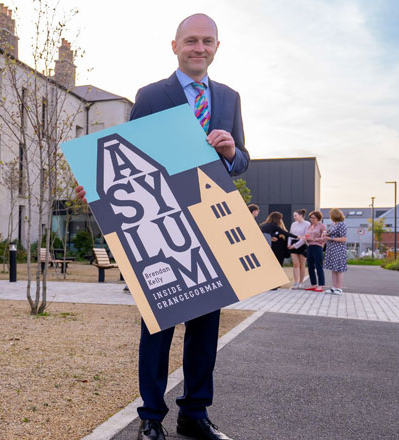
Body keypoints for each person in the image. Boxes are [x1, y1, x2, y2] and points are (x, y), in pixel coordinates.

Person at [77, 13, 247, 440]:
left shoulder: (229, 98)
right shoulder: (151, 95)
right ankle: (151, 416)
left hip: (210, 219)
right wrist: (98, 186)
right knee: (158, 325)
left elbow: (243, 159)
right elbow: (126, 156)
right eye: (191, 40)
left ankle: (195, 414)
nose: (199, 48)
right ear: (175, 46)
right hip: (160, 220)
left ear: (217, 47)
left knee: (205, 328)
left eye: (207, 41)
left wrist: (231, 152)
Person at [323, 208, 347, 295]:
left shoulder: (341, 225)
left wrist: (330, 238)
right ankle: (334, 287)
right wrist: (326, 234)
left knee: (339, 269)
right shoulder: (333, 224)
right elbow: (330, 234)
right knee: (333, 269)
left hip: (338, 249)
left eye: (330, 215)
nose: (330, 217)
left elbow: (344, 239)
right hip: (331, 249)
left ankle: (339, 288)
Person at [303, 210, 327, 293]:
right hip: (310, 246)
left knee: (318, 266)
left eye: (313, 218)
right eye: (310, 218)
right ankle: (313, 284)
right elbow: (306, 235)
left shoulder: (322, 226)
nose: (311, 219)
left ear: (318, 218)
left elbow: (324, 238)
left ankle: (321, 285)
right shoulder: (310, 226)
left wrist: (314, 239)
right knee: (310, 266)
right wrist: (306, 239)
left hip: (317, 247)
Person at [287, 209, 310, 288]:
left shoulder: (307, 224)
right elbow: (290, 235)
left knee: (302, 264)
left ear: (301, 216)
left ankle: (301, 282)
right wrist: (289, 243)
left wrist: (295, 245)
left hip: (302, 244)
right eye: (294, 216)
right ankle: (296, 282)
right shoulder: (293, 224)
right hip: (293, 243)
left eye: (295, 215)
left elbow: (305, 237)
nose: (294, 217)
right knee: (295, 264)